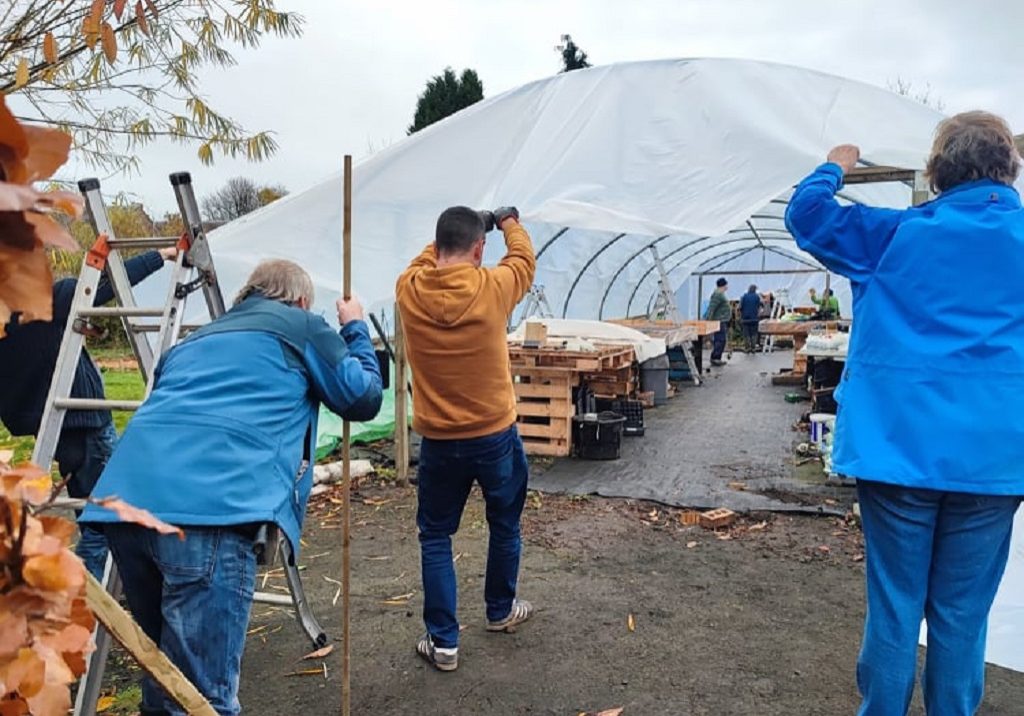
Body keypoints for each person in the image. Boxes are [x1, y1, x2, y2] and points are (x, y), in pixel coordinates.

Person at [785, 111, 1023, 716]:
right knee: (963, 613)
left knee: (895, 606)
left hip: (898, 450)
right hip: (996, 457)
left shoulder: (892, 236)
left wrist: (835, 165)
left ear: (938, 173)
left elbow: (806, 216)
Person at [81, 259, 383, 715]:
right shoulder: (301, 326)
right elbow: (362, 396)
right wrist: (355, 327)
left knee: (168, 679)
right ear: (300, 300)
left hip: (126, 509)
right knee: (203, 698)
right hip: (210, 514)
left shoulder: (194, 340)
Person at [396, 205, 536, 672]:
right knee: (505, 524)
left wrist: (460, 231)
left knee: (436, 536)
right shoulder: (493, 287)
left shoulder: (408, 290)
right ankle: (499, 611)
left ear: (436, 248)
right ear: (480, 249)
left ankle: (444, 643)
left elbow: (423, 260)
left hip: (439, 440)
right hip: (495, 434)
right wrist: (507, 221)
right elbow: (523, 258)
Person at [0, 246, 177, 579]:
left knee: (94, 506)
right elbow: (108, 283)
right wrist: (162, 255)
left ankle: (105, 583)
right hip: (84, 422)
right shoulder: (48, 299)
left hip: (50, 425)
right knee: (103, 522)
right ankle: (88, 594)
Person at [704, 277, 731, 366]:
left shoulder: (720, 294)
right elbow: (712, 307)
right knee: (720, 339)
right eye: (726, 284)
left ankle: (717, 357)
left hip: (722, 320)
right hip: (719, 320)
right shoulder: (718, 294)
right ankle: (715, 357)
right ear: (724, 285)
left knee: (721, 339)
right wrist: (707, 319)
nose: (727, 286)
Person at [739, 284, 762, 353]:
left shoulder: (744, 296)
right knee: (754, 333)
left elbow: (740, 307)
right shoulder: (757, 297)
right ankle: (753, 348)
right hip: (754, 318)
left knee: (746, 334)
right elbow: (759, 306)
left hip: (745, 318)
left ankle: (747, 348)